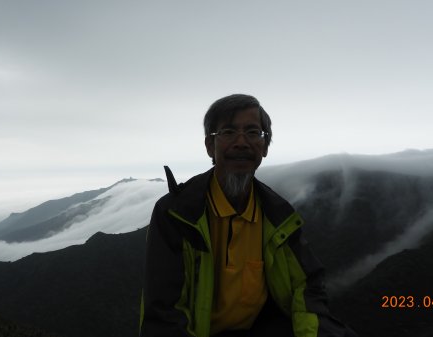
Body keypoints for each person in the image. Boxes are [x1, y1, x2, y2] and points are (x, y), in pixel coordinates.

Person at [140, 94, 357, 337]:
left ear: (264, 147)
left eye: (253, 132)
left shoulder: (278, 216)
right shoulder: (176, 215)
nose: (241, 142)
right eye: (228, 132)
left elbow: (305, 287)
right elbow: (164, 313)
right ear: (210, 146)